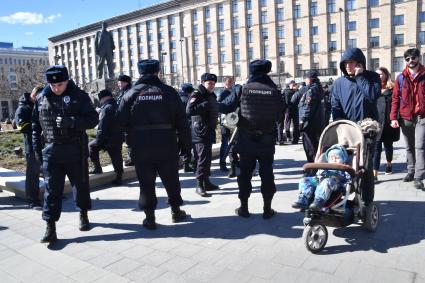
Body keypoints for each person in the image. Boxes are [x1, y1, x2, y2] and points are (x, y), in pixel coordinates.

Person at [116, 59, 191, 230]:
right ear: (158, 72)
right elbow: (183, 123)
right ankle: (175, 211)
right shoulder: (170, 92)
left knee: (146, 183)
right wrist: (186, 147)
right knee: (171, 180)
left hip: (141, 147)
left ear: (140, 73)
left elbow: (120, 122)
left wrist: (130, 142)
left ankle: (150, 218)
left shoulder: (130, 94)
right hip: (167, 144)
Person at [32, 65, 99, 244]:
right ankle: (50, 227)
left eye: (60, 84)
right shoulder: (41, 98)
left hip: (75, 150)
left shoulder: (80, 96)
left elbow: (93, 119)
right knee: (52, 190)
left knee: (81, 185)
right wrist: (38, 151)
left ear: (67, 81)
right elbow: (35, 126)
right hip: (51, 151)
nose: (56, 88)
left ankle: (83, 214)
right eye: (52, 85)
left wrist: (73, 122)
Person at [222, 60, 283, 219]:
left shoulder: (242, 89)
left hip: (246, 140)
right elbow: (279, 115)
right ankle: (267, 210)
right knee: (267, 174)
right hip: (267, 140)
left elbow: (224, 107)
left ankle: (244, 208)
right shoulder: (273, 90)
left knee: (244, 175)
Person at [331, 47, 380, 205]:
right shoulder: (339, 83)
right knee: (343, 164)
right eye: (344, 63)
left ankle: (367, 201)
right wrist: (339, 125)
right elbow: (335, 105)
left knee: (365, 167)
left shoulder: (372, 77)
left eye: (350, 63)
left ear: (360, 64)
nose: (347, 66)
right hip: (347, 131)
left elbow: (372, 95)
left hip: (367, 130)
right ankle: (341, 197)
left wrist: (360, 77)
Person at [390, 48, 425, 190]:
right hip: (406, 117)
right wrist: (393, 117)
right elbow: (395, 99)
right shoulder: (401, 77)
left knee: (420, 146)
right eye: (407, 59)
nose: (411, 61)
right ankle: (411, 170)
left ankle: (418, 176)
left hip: (422, 116)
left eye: (413, 57)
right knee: (409, 147)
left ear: (419, 58)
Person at [187, 73, 221, 197]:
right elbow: (189, 110)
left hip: (208, 130)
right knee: (201, 159)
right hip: (199, 131)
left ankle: (206, 182)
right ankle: (199, 185)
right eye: (209, 83)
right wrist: (205, 104)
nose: (212, 85)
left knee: (207, 158)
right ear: (203, 82)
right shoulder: (197, 93)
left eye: (213, 83)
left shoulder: (211, 94)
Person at [292, 144, 351, 210]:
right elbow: (318, 174)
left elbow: (348, 177)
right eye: (331, 158)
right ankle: (303, 198)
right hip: (319, 180)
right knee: (305, 180)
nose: (334, 160)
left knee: (326, 182)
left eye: (337, 158)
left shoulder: (344, 168)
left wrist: (348, 181)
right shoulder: (325, 166)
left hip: (334, 183)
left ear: (343, 159)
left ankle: (319, 200)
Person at [15, 85, 44, 209]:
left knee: (49, 171)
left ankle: (51, 194)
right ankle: (32, 199)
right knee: (33, 174)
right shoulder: (23, 108)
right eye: (39, 97)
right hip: (32, 146)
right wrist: (37, 127)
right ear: (33, 95)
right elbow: (21, 126)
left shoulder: (38, 105)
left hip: (44, 144)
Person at [88, 89, 124, 185]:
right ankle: (119, 177)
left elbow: (102, 126)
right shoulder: (118, 105)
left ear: (103, 98)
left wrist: (99, 140)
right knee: (117, 156)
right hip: (118, 136)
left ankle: (97, 168)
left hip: (107, 138)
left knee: (91, 146)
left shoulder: (107, 108)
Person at [373, 67, 400, 181]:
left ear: (386, 75)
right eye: (377, 74)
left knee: (388, 146)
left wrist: (396, 118)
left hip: (389, 122)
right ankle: (375, 174)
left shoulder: (393, 88)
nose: (379, 76)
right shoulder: (373, 89)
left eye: (381, 74)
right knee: (376, 148)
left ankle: (389, 164)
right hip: (377, 122)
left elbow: (396, 104)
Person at [298, 70, 325, 163]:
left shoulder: (311, 90)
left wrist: (302, 120)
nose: (305, 80)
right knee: (316, 146)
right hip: (317, 123)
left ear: (310, 79)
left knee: (310, 148)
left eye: (306, 78)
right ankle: (315, 167)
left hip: (309, 125)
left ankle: (312, 169)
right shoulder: (319, 89)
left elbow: (308, 108)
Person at [218, 77, 235, 171]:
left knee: (233, 143)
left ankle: (233, 162)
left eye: (231, 82)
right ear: (225, 83)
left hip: (233, 119)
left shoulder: (234, 92)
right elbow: (219, 106)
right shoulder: (223, 93)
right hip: (225, 121)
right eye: (228, 82)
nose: (230, 84)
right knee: (225, 143)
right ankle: (222, 163)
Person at [116, 74, 134, 167]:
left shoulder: (129, 92)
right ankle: (132, 157)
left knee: (130, 140)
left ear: (125, 82)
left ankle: (133, 158)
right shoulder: (125, 91)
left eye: (120, 82)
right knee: (129, 140)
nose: (118, 84)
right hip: (127, 122)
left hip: (130, 122)